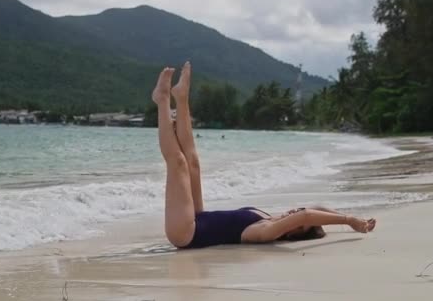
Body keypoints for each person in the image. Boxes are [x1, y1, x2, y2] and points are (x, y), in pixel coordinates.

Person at [152, 62, 376, 249]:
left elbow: (308, 215)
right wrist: (348, 217)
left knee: (178, 163)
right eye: (296, 211)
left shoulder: (265, 232)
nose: (294, 212)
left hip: (185, 233)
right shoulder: (268, 217)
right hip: (196, 216)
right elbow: (314, 208)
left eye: (295, 219)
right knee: (192, 162)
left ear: (292, 230)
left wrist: (349, 221)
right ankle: (181, 98)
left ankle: (161, 100)